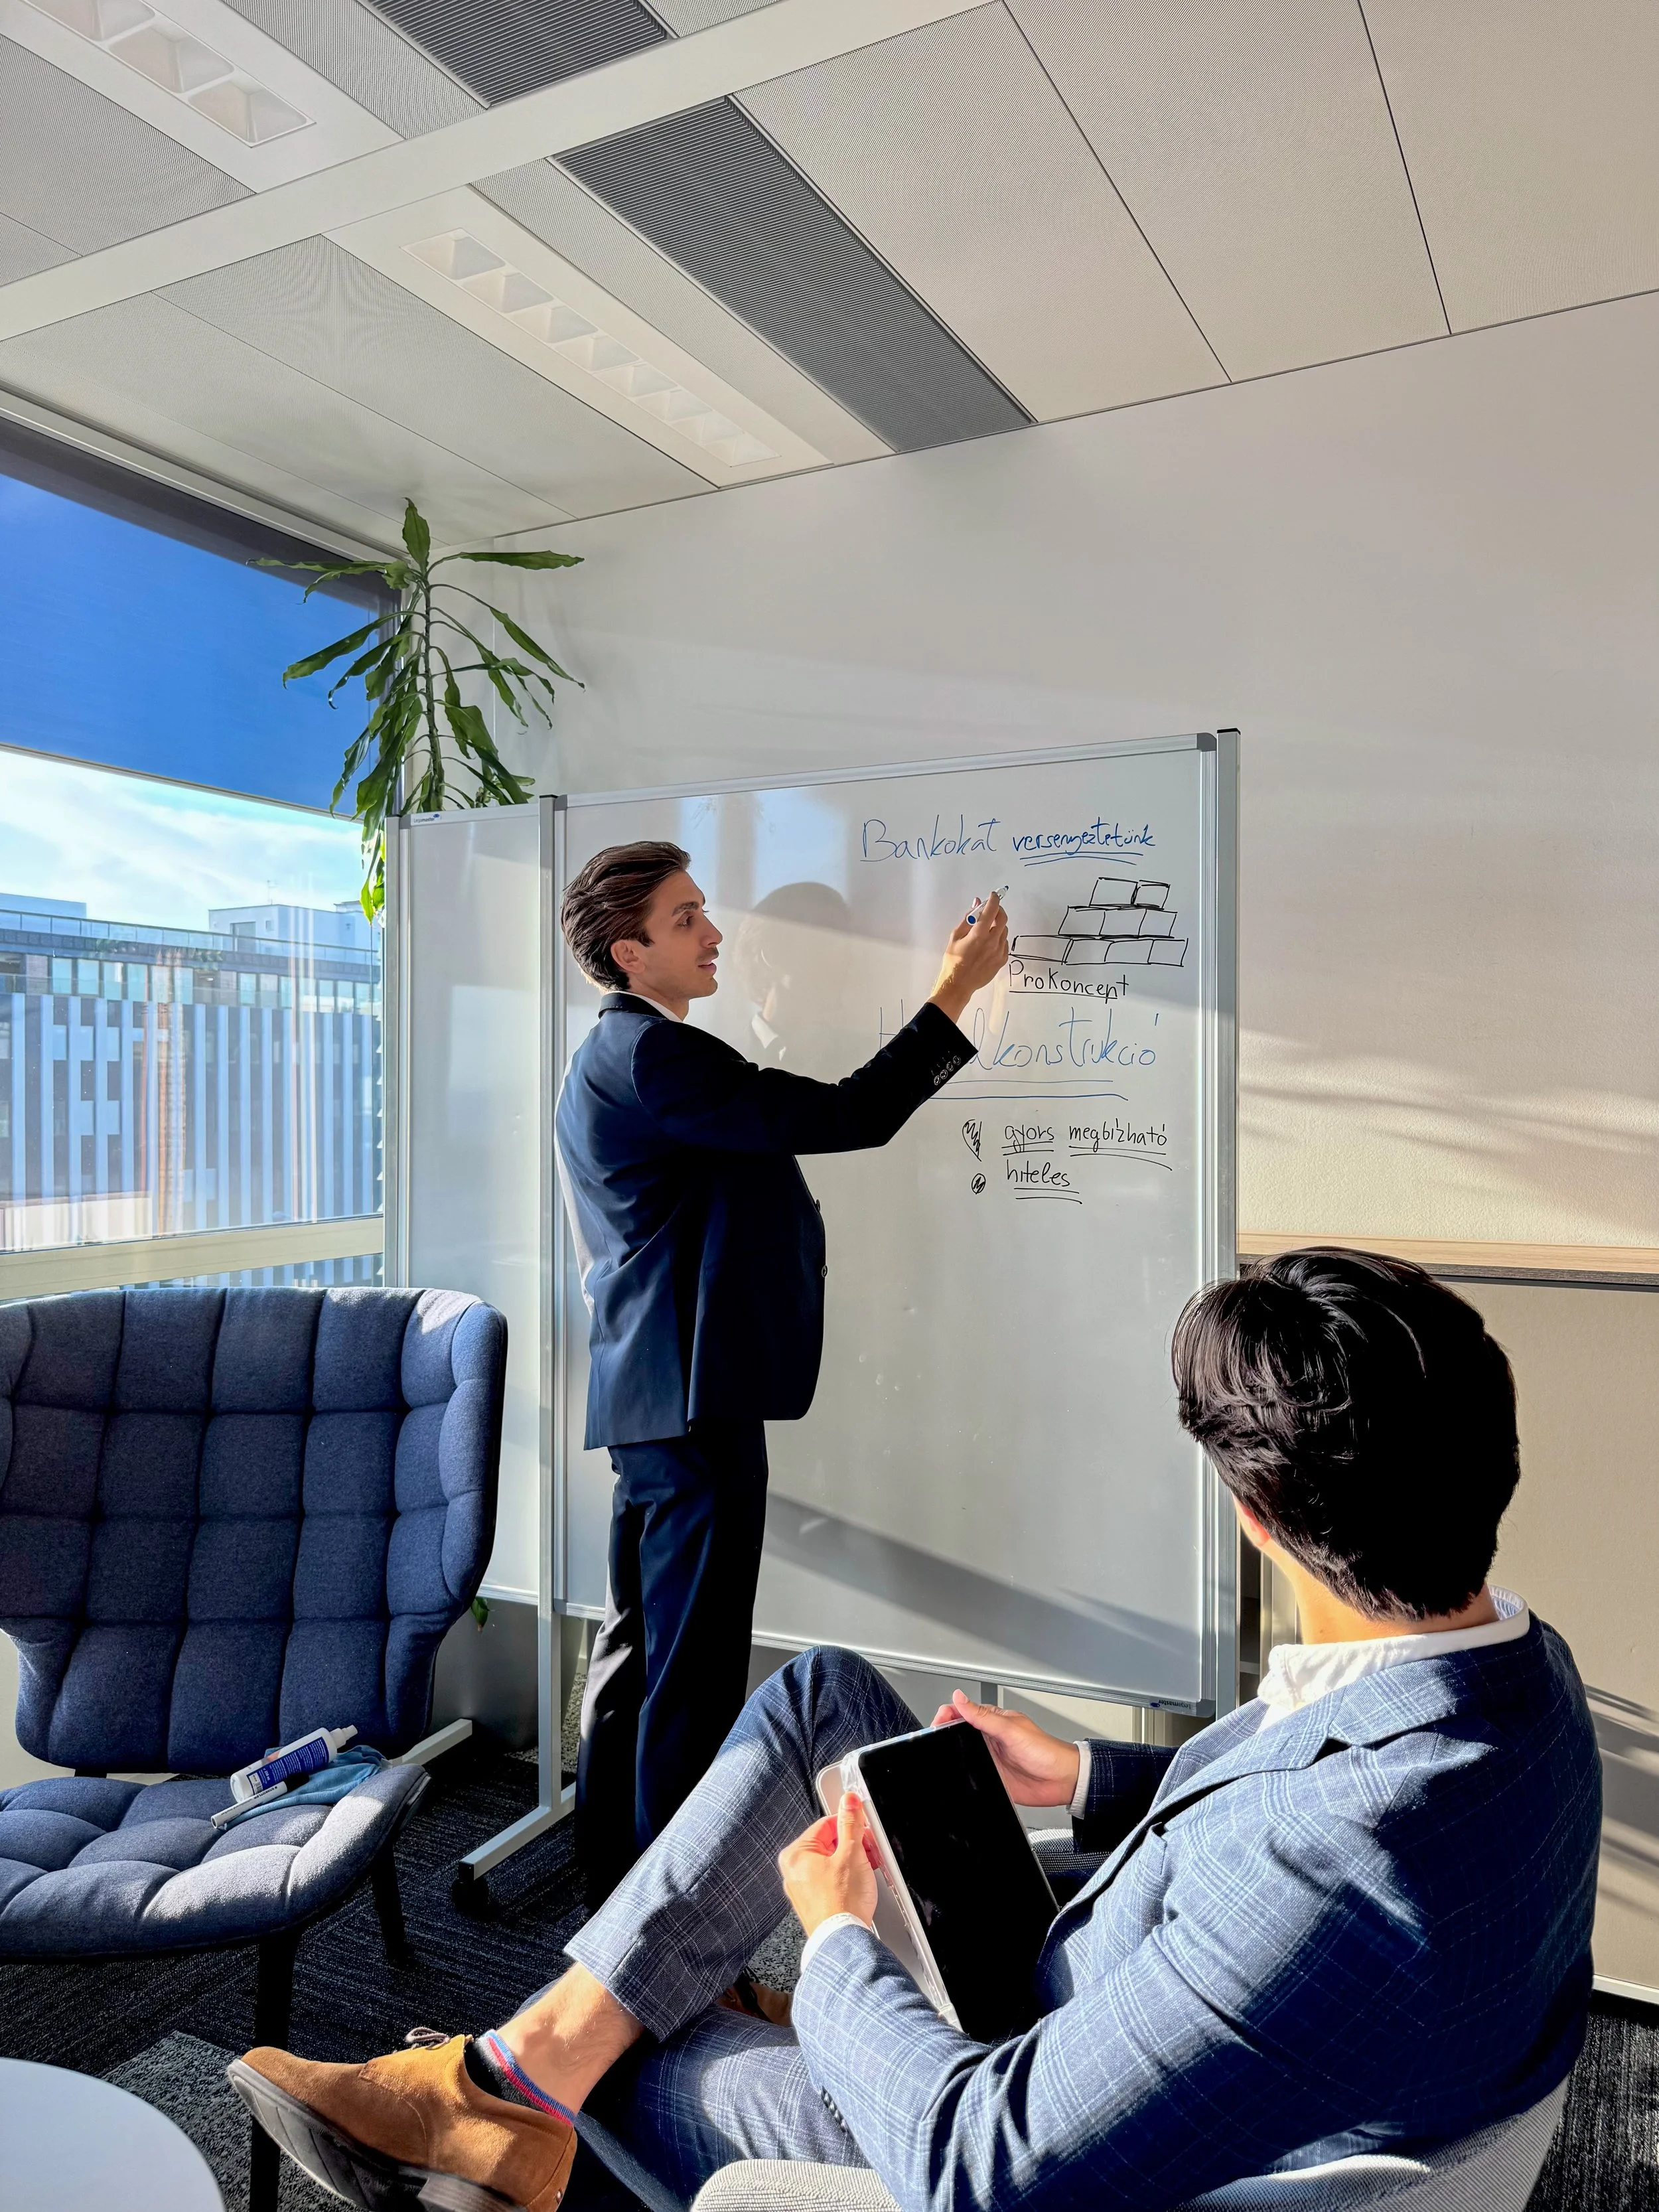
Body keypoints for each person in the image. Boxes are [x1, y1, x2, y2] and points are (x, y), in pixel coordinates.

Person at [235, 1248, 1601, 2212]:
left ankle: (510, 2103)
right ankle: (544, 2053)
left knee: (627, 2034)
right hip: (1112, 1974)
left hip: (1010, 2083)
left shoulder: (1340, 1872)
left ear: (1254, 1515)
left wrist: (834, 1944)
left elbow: (978, 2168)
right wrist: (1093, 1773)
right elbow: (1292, 1782)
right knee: (820, 1694)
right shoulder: (1515, 1677)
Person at [553, 842, 1009, 1903]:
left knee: (642, 1657)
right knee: (692, 1677)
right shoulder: (658, 1057)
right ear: (629, 953)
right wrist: (955, 992)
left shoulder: (613, 1054)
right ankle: (671, 1934)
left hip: (656, 1396)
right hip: (691, 1400)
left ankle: (615, 1894)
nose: (714, 933)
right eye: (685, 919)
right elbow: (850, 1115)